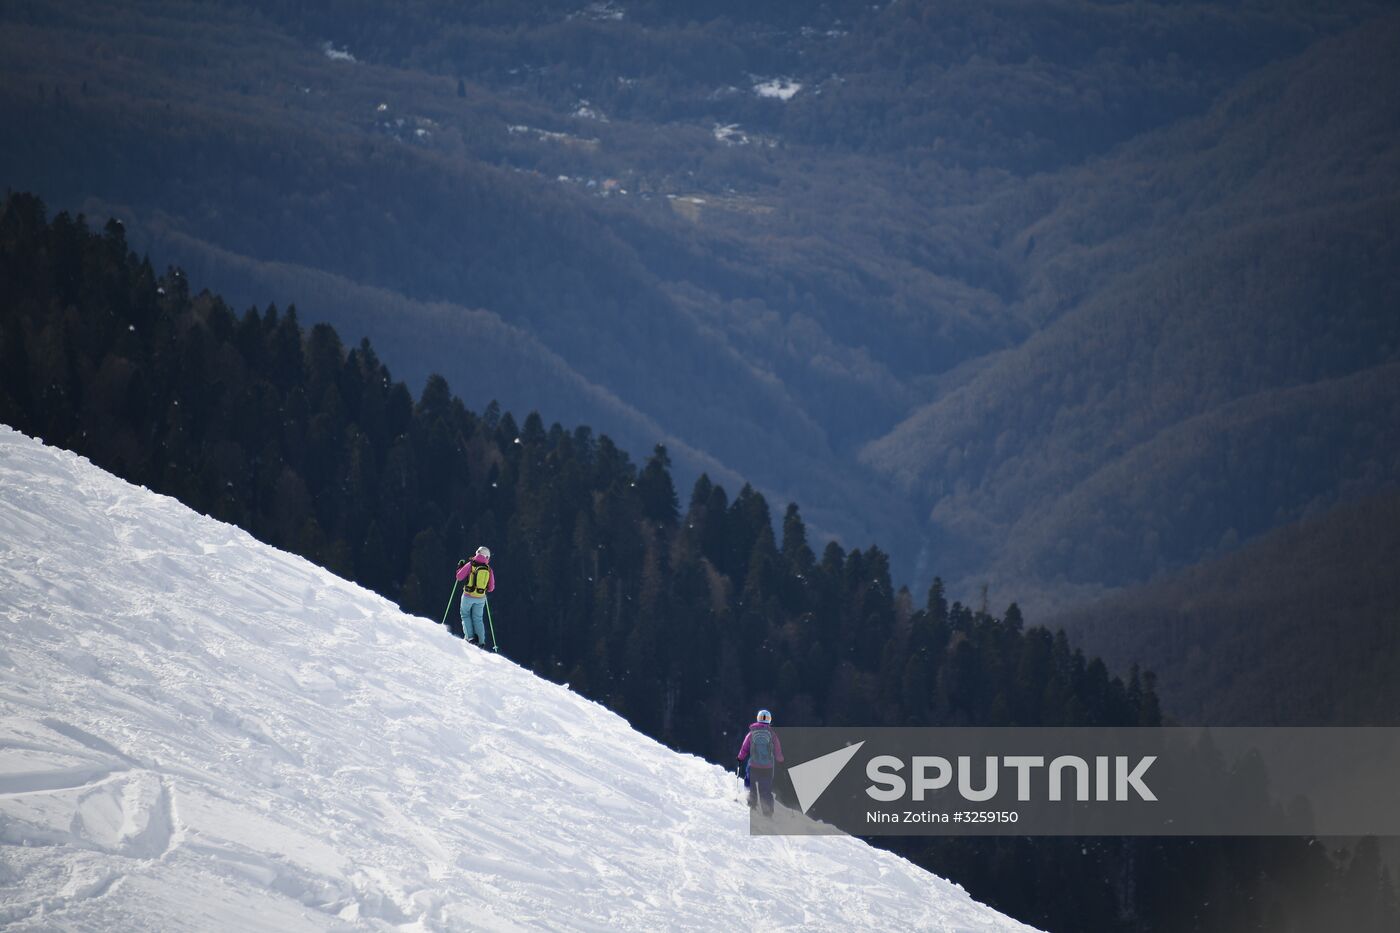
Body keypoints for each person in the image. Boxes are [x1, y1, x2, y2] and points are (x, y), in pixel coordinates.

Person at [737, 708, 784, 817]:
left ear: (758, 718)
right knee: (765, 790)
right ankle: (768, 812)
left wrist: (740, 758)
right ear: (769, 720)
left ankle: (751, 805)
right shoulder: (772, 735)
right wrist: (781, 762)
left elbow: (744, 748)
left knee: (750, 784)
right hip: (768, 767)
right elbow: (777, 751)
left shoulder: (751, 733)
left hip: (753, 765)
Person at [455, 546, 495, 647]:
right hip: (481, 597)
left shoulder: (470, 564)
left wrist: (460, 567)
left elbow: (459, 577)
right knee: (478, 618)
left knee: (465, 615)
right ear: (487, 557)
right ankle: (481, 642)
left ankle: (470, 637)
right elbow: (491, 588)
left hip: (468, 595)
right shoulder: (488, 569)